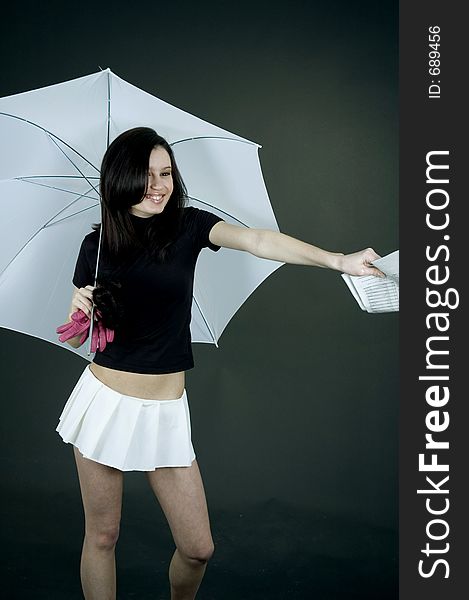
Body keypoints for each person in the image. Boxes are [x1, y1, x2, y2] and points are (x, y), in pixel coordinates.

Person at [56, 126, 384, 600]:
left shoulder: (187, 226)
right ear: (120, 179)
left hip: (165, 410)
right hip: (105, 403)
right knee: (102, 537)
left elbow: (259, 241)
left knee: (197, 549)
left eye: (166, 173)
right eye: (146, 175)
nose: (159, 185)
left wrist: (337, 261)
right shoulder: (97, 246)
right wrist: (81, 314)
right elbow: (77, 322)